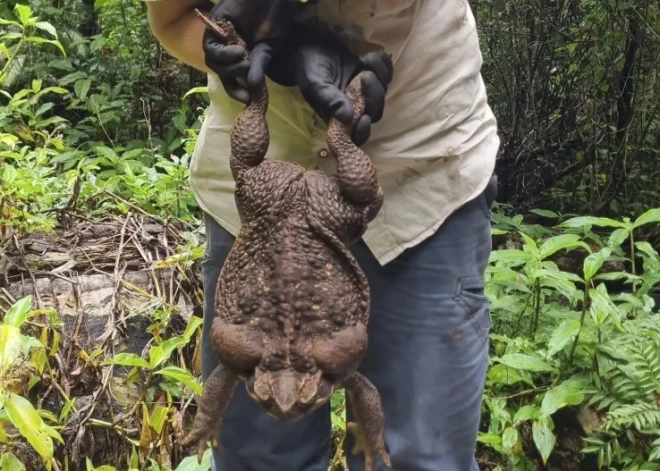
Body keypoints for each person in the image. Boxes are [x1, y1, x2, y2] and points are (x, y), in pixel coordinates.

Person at [146, 1, 500, 470]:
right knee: (257, 460)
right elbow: (173, 17)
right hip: (261, 196)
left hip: (419, 166)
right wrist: (276, 55)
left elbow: (358, 382)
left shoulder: (327, 360)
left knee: (418, 456)